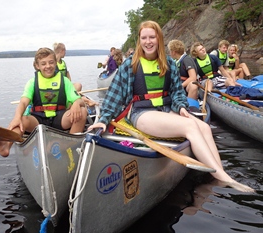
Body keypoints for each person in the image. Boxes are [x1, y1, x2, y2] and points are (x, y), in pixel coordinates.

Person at [88, 20, 253, 192]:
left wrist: (181, 107)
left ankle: (221, 174)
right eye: (144, 38)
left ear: (159, 38)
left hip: (166, 110)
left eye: (152, 37)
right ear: (139, 40)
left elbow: (177, 93)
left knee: (204, 127)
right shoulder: (130, 65)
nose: (148, 41)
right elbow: (113, 96)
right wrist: (104, 119)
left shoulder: (168, 63)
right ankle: (223, 178)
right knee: (190, 126)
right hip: (142, 113)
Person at [0, 47, 87, 157]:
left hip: (59, 118)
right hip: (38, 119)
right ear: (37, 66)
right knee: (21, 119)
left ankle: (69, 144)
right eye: (43, 64)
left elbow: (79, 100)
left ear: (55, 63)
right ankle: (6, 144)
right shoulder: (32, 82)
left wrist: (76, 104)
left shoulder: (64, 81)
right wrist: (17, 117)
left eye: (51, 62)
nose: (48, 66)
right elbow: (23, 102)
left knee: (82, 111)